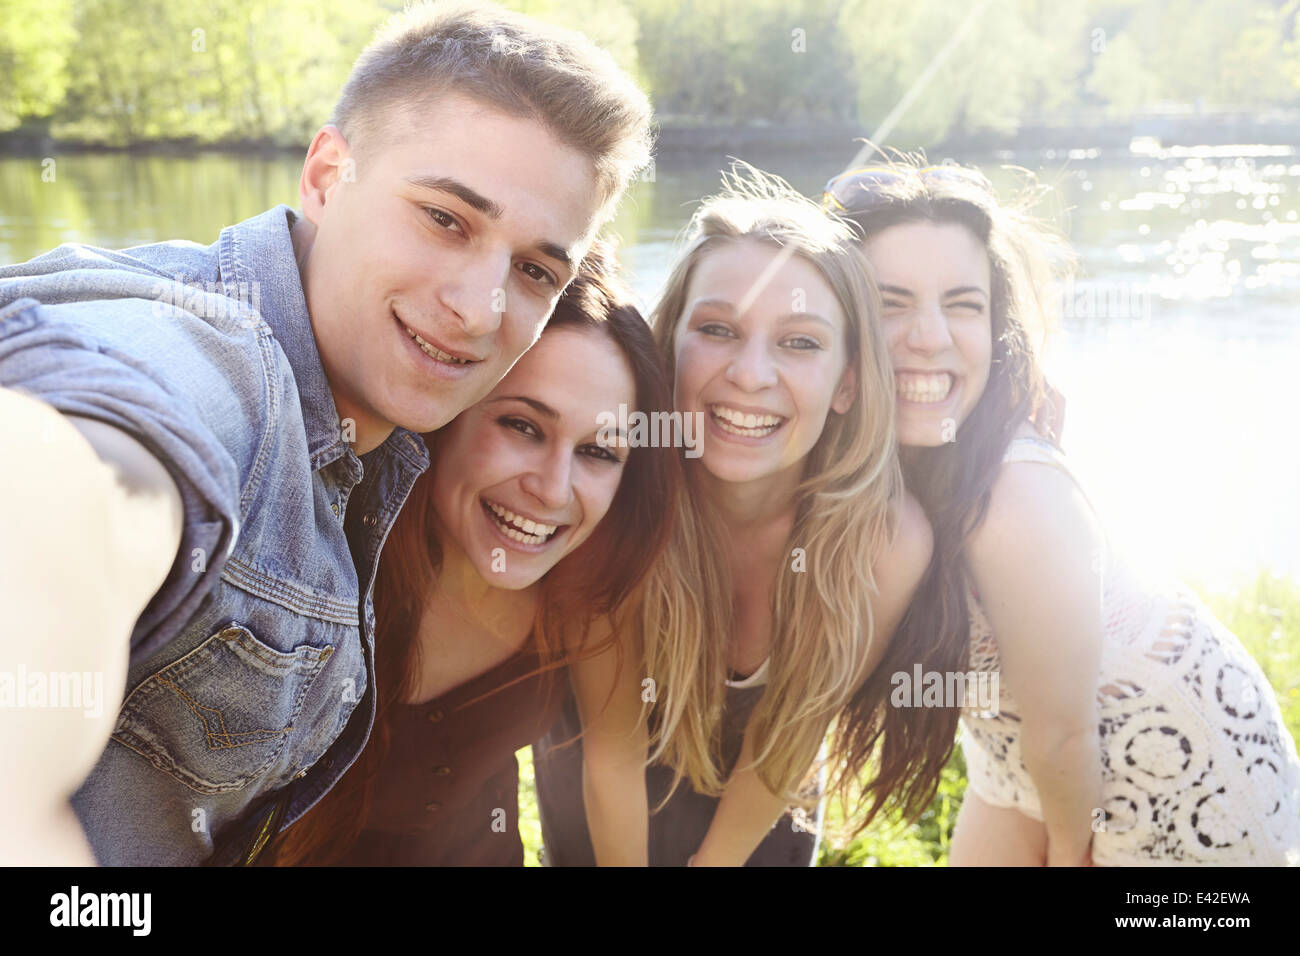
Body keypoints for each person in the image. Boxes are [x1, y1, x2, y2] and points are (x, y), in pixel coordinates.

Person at [0, 0, 652, 865]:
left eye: (534, 269)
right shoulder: (207, 362)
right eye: (445, 218)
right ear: (325, 174)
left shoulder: (380, 455)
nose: (477, 309)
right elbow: (81, 450)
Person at [827, 157, 1300, 865]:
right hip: (1022, 756)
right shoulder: (877, 453)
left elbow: (1065, 734)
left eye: (963, 304)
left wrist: (1069, 852)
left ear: (995, 324)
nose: (930, 335)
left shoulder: (1016, 497)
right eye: (891, 303)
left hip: (1172, 772)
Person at [533, 164, 933, 866]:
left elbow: (791, 738)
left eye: (800, 341)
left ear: (846, 383)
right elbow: (612, 763)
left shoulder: (884, 541)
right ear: (669, 346)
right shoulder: (617, 505)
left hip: (763, 798)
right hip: (605, 791)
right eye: (718, 329)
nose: (751, 375)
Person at [262, 244, 678, 866]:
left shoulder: (587, 590)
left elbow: (614, 765)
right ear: (447, 413)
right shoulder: (319, 556)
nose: (552, 488)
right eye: (522, 427)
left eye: (598, 452)